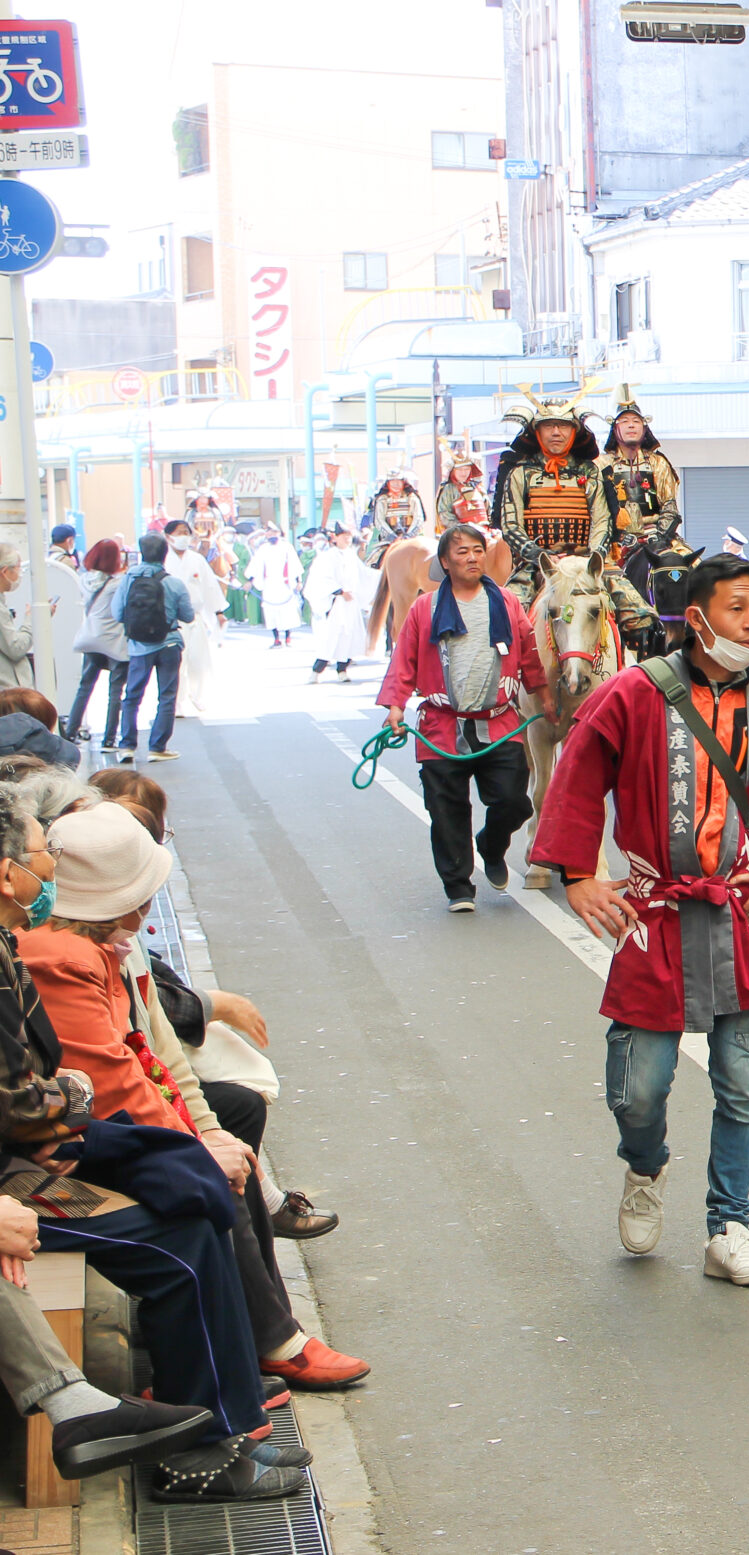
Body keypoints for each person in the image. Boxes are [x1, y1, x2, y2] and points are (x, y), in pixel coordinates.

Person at [530, 554, 749, 1285]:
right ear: (698, 617)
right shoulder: (631, 694)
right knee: (640, 1088)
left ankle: (729, 1225)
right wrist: (580, 875)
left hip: (741, 915)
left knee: (741, 1082)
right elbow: (578, 772)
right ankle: (644, 1165)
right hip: (654, 915)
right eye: (738, 609)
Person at [27, 803, 370, 1399]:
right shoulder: (62, 955)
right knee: (199, 1191)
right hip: (54, 1142)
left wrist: (206, 1133)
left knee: (230, 1126)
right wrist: (196, 1148)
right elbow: (114, 1078)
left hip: (71, 1122)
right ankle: (236, 1370)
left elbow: (151, 1054)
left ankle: (249, 1345)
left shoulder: (98, 946)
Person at [0, 788, 286, 1501]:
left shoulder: (14, 944)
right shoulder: (47, 951)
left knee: (190, 1201)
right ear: (11, 876)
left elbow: (64, 1083)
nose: (48, 862)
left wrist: (65, 1099)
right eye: (40, 851)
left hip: (36, 1153)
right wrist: (69, 1100)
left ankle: (226, 1429)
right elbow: (31, 1100)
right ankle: (201, 1450)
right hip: (24, 1167)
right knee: (177, 1238)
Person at [379, 526, 549, 913]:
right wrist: (395, 705)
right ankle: (458, 886)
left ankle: (491, 844)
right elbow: (403, 659)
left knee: (513, 800)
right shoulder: (425, 608)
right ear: (444, 562)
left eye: (477, 550)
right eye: (462, 552)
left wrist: (545, 695)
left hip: (500, 722)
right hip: (441, 725)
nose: (472, 558)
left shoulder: (506, 602)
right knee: (446, 809)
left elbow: (527, 653)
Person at [494, 395, 654, 637]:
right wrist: (539, 555)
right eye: (549, 425)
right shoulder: (520, 473)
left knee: (641, 617)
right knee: (502, 618)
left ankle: (633, 669)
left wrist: (592, 559)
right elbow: (511, 524)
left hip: (586, 560)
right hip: (537, 565)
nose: (556, 432)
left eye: (564, 426)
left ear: (575, 431)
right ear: (536, 431)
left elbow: (602, 519)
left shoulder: (589, 471)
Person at [111, 533, 194, 761]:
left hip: (139, 647)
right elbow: (188, 616)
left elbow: (117, 613)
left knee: (132, 696)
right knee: (166, 696)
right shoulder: (174, 583)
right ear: (165, 554)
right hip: (168, 644)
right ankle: (157, 748)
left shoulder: (127, 581)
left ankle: (127, 746)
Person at [598, 391, 682, 567]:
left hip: (656, 535)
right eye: (625, 421)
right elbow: (598, 510)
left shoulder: (657, 462)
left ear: (644, 429)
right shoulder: (601, 464)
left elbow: (669, 505)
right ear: (615, 428)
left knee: (692, 567)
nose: (631, 426)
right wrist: (618, 536)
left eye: (636, 421)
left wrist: (659, 536)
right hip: (615, 541)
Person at [68, 540, 129, 748]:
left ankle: (70, 732)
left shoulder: (84, 580)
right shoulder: (119, 583)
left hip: (91, 638)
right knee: (115, 691)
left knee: (85, 687)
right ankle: (109, 738)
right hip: (114, 640)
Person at [162, 525, 226, 719]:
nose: (183, 537)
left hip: (194, 617)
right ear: (168, 537)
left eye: (186, 533)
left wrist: (218, 612)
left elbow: (209, 587)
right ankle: (177, 701)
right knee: (176, 663)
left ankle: (198, 694)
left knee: (198, 659)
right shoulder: (163, 560)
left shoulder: (196, 560)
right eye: (179, 533)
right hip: (170, 620)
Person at [301, 523, 372, 685]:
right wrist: (339, 591)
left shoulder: (351, 556)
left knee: (349, 637)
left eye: (349, 536)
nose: (347, 539)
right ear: (336, 537)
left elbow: (363, 575)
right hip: (335, 603)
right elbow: (321, 578)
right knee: (330, 639)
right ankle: (316, 671)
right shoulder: (327, 556)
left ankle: (342, 670)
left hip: (350, 604)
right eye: (344, 536)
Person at [358, 470, 429, 566]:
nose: (396, 484)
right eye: (393, 481)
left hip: (412, 536)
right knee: (372, 561)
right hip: (388, 539)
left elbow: (418, 518)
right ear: (388, 483)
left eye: (398, 481)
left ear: (403, 482)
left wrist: (408, 535)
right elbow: (379, 520)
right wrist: (391, 536)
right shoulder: (382, 499)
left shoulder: (412, 497)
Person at [248, 528, 302, 649]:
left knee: (287, 611)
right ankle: (276, 639)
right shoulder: (263, 549)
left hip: (284, 584)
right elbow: (255, 566)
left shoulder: (287, 547)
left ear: (279, 534)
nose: (272, 536)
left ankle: (288, 637)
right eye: (270, 534)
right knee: (270, 612)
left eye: (274, 533)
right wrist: (249, 580)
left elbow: (296, 565)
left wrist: (299, 581)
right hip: (269, 585)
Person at [0, 543, 35, 692]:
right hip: (9, 691)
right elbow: (15, 648)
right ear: (5, 571)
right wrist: (31, 621)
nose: (20, 574)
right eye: (18, 568)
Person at [434, 451, 489, 534]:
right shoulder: (449, 489)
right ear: (453, 470)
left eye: (467, 469)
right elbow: (445, 514)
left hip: (484, 531)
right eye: (459, 469)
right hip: (458, 534)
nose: (463, 473)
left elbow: (488, 510)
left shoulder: (478, 487)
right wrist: (464, 529)